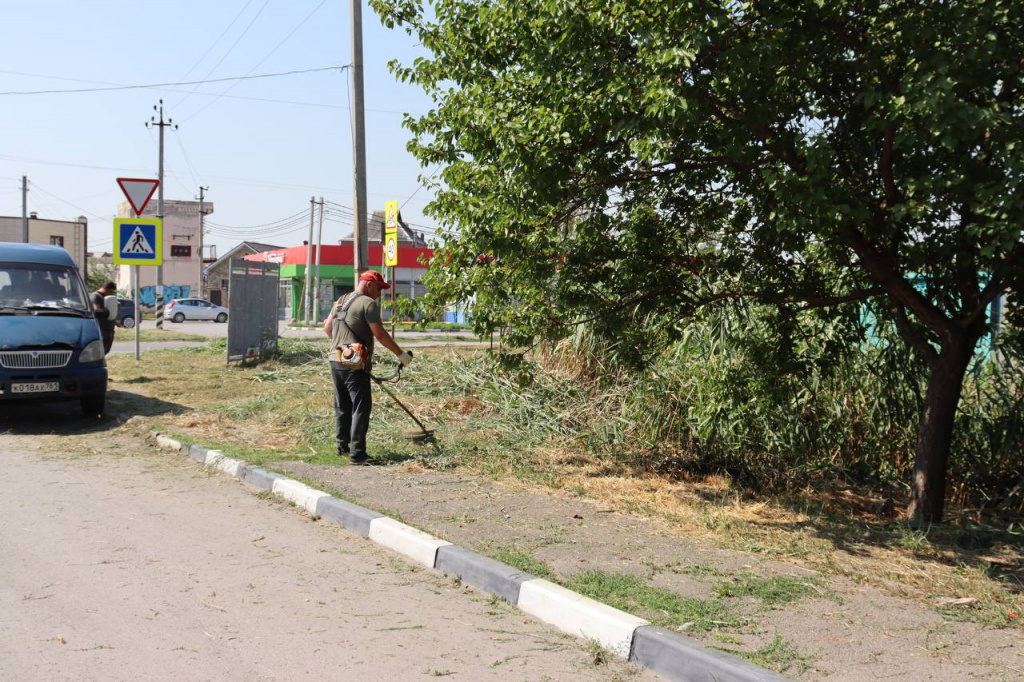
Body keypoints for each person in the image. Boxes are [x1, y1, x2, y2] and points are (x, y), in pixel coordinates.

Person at [323, 270, 413, 464]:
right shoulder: (368, 304)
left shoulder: (340, 301)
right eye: (379, 288)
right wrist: (401, 355)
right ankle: (358, 454)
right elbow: (380, 334)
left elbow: (327, 328)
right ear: (370, 284)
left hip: (335, 359)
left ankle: (342, 446)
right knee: (361, 406)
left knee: (342, 404)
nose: (379, 293)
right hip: (355, 362)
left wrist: (343, 346)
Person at [91, 282, 117, 355]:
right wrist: (106, 312)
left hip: (108, 331)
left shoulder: (105, 297)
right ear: (105, 288)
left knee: (104, 352)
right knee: (99, 353)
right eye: (110, 291)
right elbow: (95, 310)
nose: (110, 293)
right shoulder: (95, 296)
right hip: (102, 331)